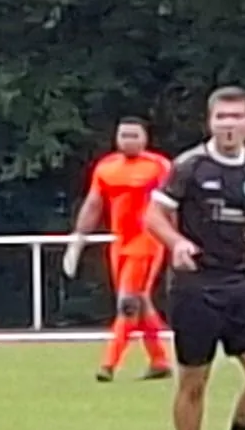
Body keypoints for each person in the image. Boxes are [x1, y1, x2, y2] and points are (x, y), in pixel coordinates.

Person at [144, 87, 245, 430]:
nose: (228, 124)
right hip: (196, 287)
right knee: (194, 382)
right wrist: (177, 243)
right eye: (221, 117)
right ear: (210, 121)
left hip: (239, 284)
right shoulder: (190, 166)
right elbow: (153, 215)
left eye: (236, 116)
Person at [64, 118, 174, 381]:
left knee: (128, 303)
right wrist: (78, 237)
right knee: (140, 302)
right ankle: (160, 361)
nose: (128, 140)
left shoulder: (158, 166)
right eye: (124, 135)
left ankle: (108, 364)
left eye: (134, 135)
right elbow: (94, 204)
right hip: (120, 242)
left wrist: (176, 239)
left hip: (148, 241)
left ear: (145, 138)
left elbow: (172, 205)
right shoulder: (106, 167)